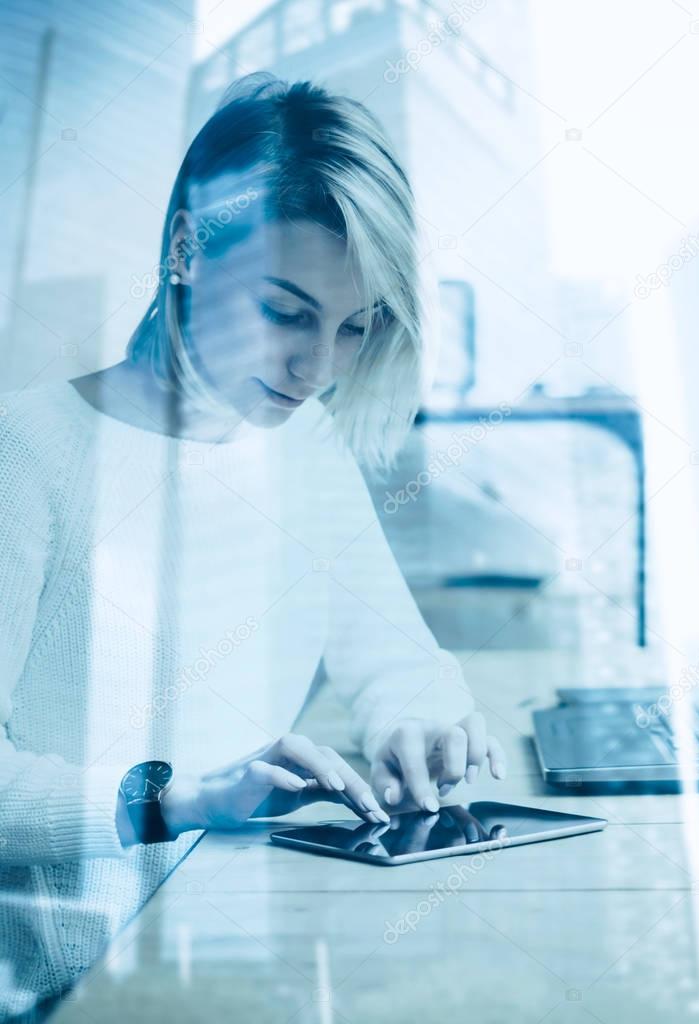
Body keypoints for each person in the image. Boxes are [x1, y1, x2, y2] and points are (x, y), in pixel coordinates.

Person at [0, 71, 505, 1010]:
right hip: (57, 991)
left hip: (235, 963)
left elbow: (398, 660)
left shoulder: (301, 445)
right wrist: (179, 799)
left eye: (354, 329)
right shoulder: (26, 452)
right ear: (187, 250)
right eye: (285, 314)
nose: (316, 368)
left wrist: (423, 724)